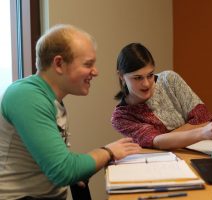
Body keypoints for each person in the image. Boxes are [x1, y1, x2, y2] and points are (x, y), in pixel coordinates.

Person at [0, 24, 141, 200]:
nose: (95, 72)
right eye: (88, 64)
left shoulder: (50, 99)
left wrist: (81, 168)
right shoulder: (26, 97)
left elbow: (60, 164)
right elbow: (63, 171)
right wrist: (108, 152)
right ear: (59, 64)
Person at [111, 43, 212, 150]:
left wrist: (167, 139)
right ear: (121, 76)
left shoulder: (169, 80)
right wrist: (201, 132)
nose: (146, 83)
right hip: (164, 165)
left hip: (199, 153)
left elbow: (204, 119)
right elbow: (156, 141)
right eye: (138, 78)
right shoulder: (121, 117)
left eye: (150, 75)